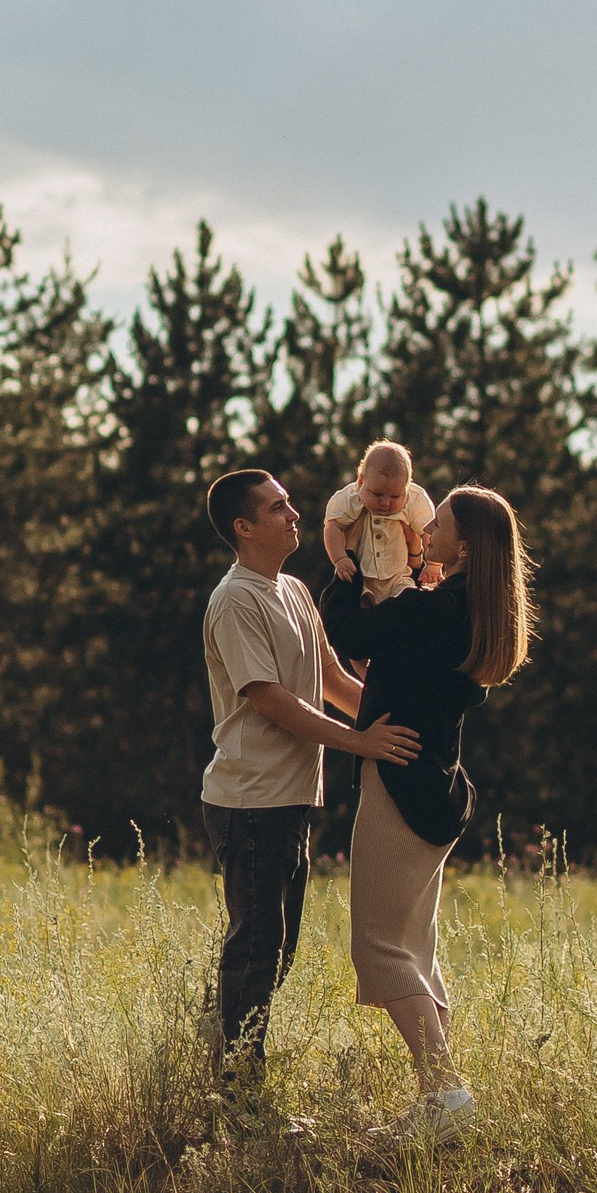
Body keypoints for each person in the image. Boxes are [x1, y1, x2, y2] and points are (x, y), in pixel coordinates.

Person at [320, 483, 533, 1135]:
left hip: (401, 786)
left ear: (464, 542)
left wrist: (346, 562)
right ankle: (438, 1097)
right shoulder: (472, 610)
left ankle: (446, 1096)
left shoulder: (431, 610)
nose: (423, 530)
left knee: (379, 949)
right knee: (414, 948)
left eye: (434, 523)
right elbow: (384, 666)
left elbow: (349, 627)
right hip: (439, 786)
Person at [200, 467, 418, 1093]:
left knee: (278, 946)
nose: (295, 514)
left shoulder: (294, 590)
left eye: (289, 504)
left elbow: (331, 681)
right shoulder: (235, 598)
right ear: (244, 528)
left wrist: (392, 725)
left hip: (288, 800)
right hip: (248, 802)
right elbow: (268, 699)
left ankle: (229, 1060)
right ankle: (238, 1093)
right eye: (278, 509)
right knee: (258, 946)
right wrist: (359, 743)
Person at [321, 437, 437, 606]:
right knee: (358, 605)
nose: (385, 503)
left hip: (398, 576)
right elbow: (333, 527)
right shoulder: (351, 498)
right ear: (361, 482)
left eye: (395, 496)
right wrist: (340, 559)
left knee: (410, 600)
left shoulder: (414, 500)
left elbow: (430, 532)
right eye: (377, 494)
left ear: (407, 487)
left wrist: (433, 564)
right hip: (363, 578)